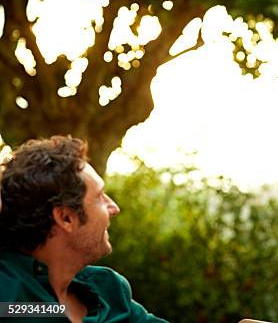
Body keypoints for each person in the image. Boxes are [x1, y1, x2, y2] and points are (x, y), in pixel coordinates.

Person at [0, 136, 167, 322]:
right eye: (100, 196)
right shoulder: (9, 293)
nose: (114, 208)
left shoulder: (109, 290)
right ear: (66, 218)